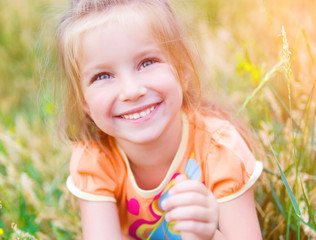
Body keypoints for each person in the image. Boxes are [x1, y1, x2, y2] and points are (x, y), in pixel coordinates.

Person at [56, 0, 263, 239]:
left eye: (147, 63)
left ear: (183, 69)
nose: (131, 91)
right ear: (84, 101)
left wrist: (209, 235)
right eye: (103, 76)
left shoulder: (221, 151)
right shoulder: (95, 159)